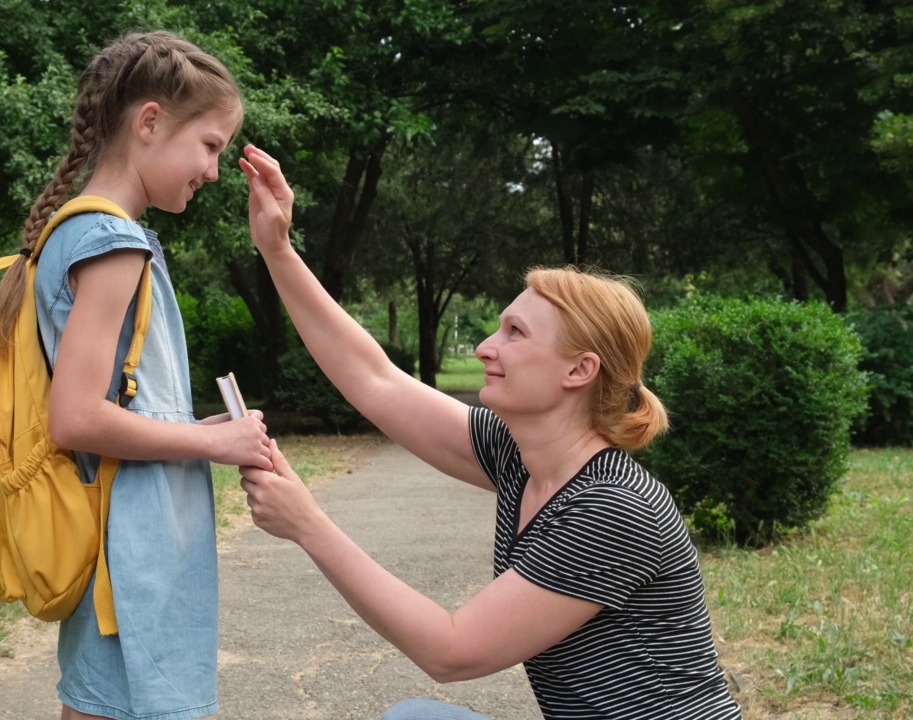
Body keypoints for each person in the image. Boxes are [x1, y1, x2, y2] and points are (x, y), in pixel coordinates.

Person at [235, 145, 743, 719]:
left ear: (579, 370)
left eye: (515, 333)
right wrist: (277, 250)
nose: (485, 348)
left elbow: (453, 651)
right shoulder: (520, 457)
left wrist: (308, 524)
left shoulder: (613, 508)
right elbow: (374, 380)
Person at [0, 32, 272, 720]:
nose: (215, 169)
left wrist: (193, 429)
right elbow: (76, 417)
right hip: (132, 562)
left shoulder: (80, 234)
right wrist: (213, 444)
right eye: (210, 146)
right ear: (148, 123)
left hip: (123, 552)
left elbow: (111, 408)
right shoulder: (113, 244)